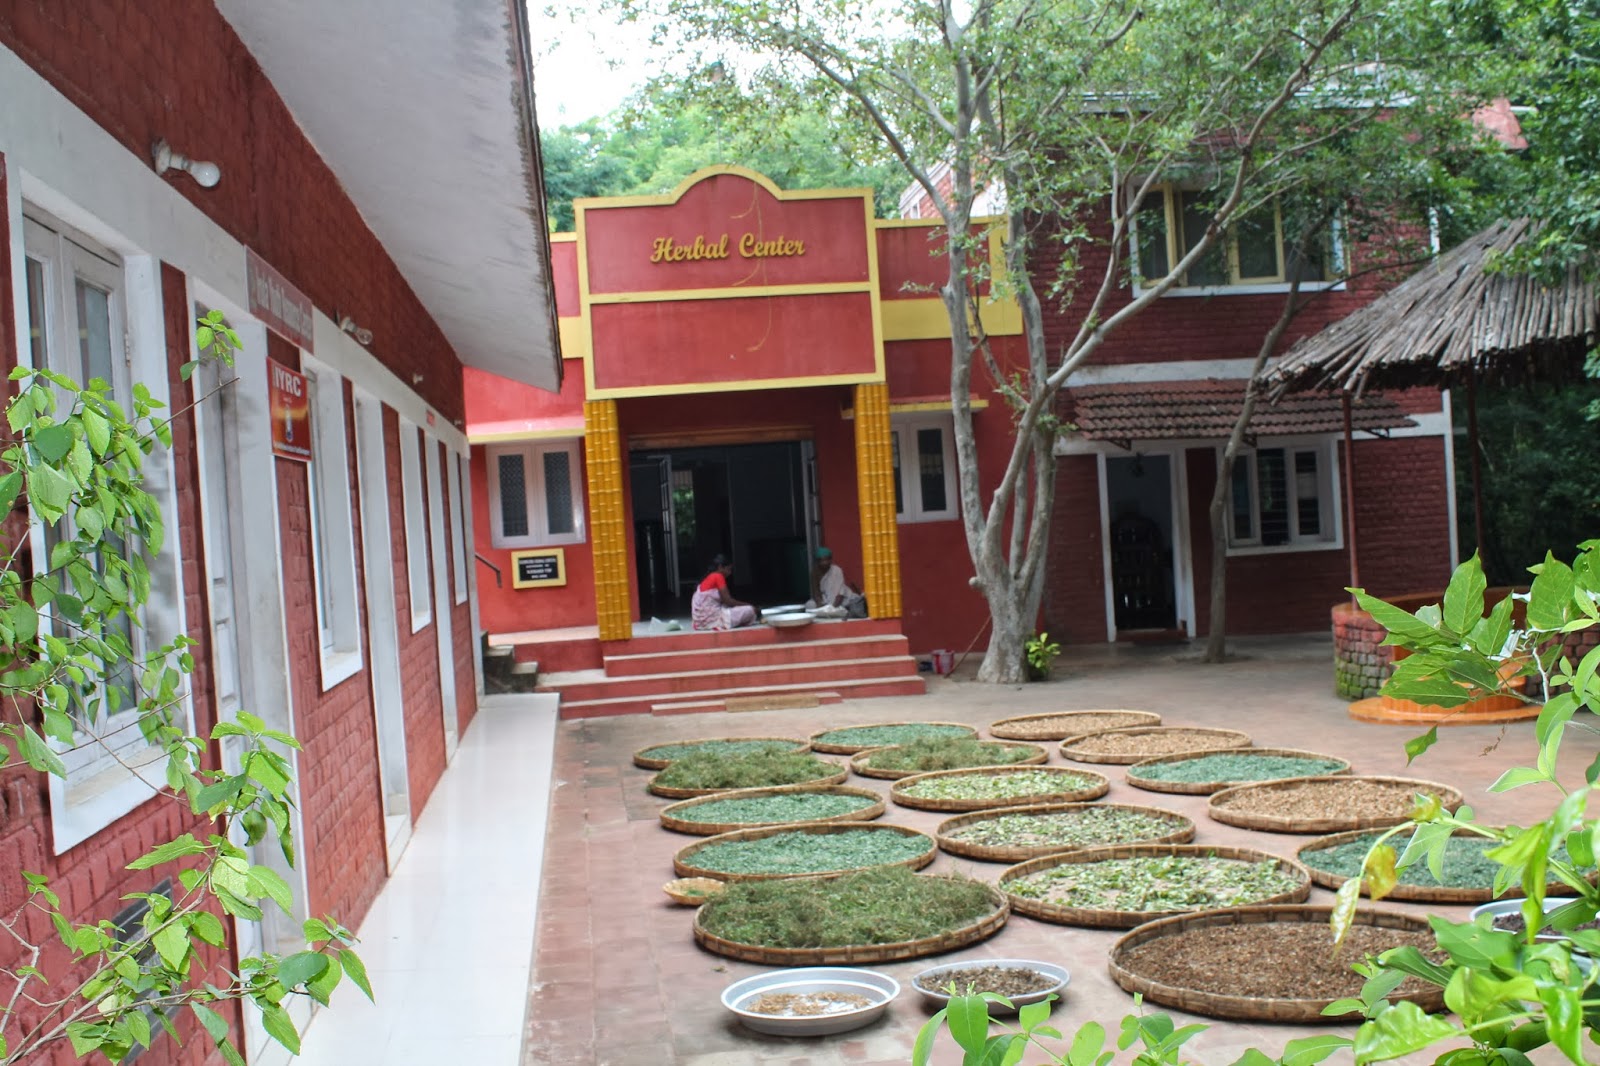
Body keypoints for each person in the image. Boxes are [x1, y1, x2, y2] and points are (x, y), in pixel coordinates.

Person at [691, 554, 759, 631]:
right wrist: (749, 605)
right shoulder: (718, 576)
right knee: (750, 610)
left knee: (731, 609)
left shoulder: (708, 577)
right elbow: (728, 601)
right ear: (720, 567)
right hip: (714, 620)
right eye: (728, 569)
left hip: (700, 623)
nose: (730, 573)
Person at [806, 546, 867, 618]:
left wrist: (832, 607)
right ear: (817, 561)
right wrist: (820, 605)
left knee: (850, 605)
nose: (824, 563)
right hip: (825, 600)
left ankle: (835, 612)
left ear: (830, 560)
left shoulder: (837, 570)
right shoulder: (814, 573)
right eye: (821, 560)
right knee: (809, 605)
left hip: (841, 600)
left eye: (827, 560)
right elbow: (816, 592)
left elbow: (840, 594)